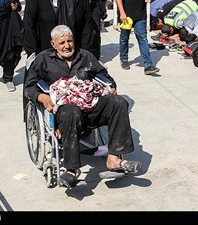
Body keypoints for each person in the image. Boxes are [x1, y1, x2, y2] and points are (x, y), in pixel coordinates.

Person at [24, 24, 143, 188]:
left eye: (70, 41)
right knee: (71, 111)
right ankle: (71, 169)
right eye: (62, 43)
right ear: (53, 44)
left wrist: (111, 85)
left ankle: (114, 158)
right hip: (64, 110)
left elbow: (104, 75)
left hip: (89, 104)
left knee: (119, 102)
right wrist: (42, 97)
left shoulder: (85, 56)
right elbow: (29, 87)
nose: (67, 46)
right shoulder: (43, 59)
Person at [115, 0, 160, 75]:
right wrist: (122, 13)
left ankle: (148, 65)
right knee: (124, 38)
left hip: (140, 14)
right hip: (127, 15)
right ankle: (124, 59)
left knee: (143, 38)